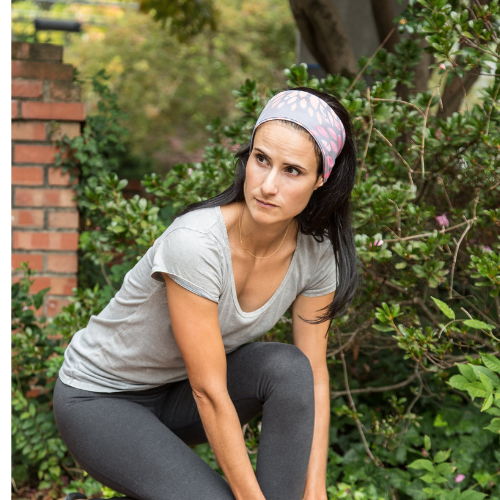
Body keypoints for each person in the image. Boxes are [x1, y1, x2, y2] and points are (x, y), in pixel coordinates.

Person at [53, 87, 358, 500]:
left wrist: (315, 490)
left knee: (290, 368)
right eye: (261, 160)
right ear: (247, 158)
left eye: (292, 171)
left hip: (176, 398)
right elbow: (210, 393)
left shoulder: (317, 253)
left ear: (320, 180)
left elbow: (315, 378)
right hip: (100, 400)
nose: (268, 185)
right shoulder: (195, 244)